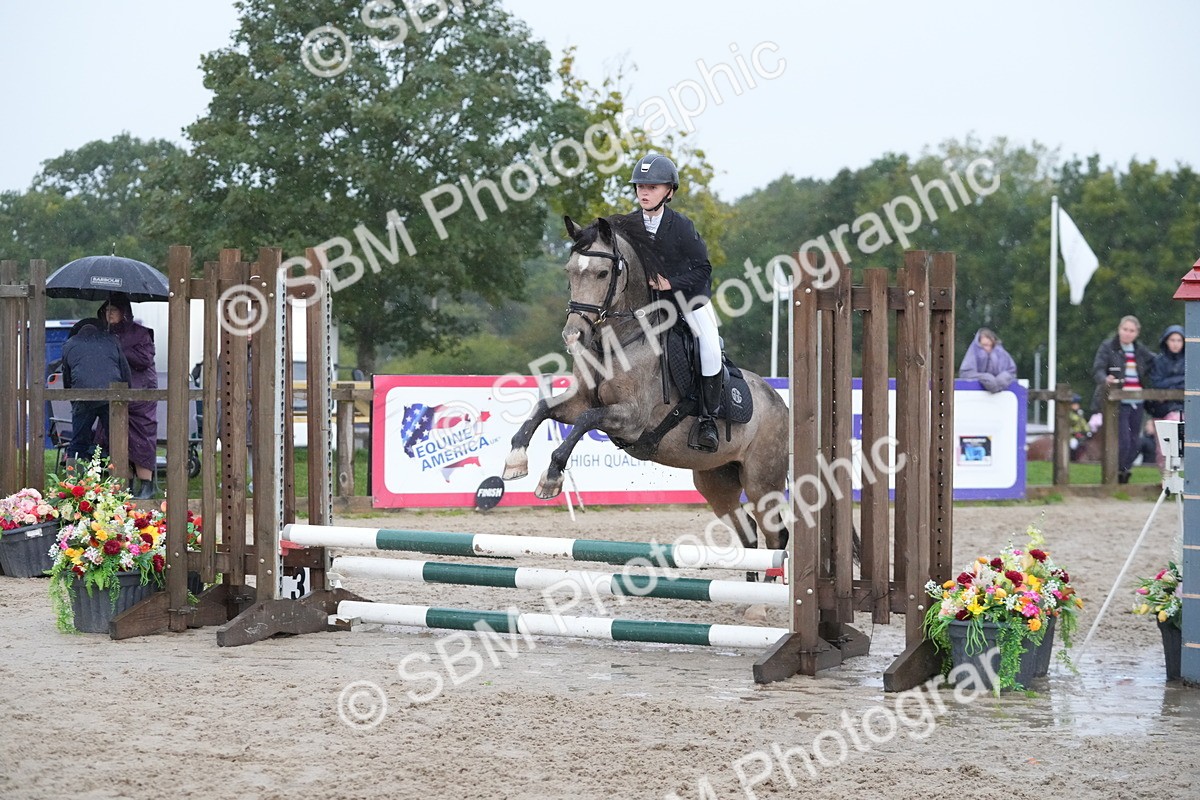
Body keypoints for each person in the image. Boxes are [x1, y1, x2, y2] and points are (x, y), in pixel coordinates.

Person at [625, 152, 723, 453]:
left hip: (688, 301)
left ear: (669, 191)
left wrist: (670, 283)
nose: (644, 191)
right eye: (640, 186)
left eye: (652, 186)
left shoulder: (680, 226)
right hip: (648, 305)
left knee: (710, 347)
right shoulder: (628, 226)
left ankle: (708, 419)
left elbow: (703, 269)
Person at [98, 295, 159, 498]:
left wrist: (119, 348)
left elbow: (144, 359)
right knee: (113, 438)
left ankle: (146, 485)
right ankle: (126, 485)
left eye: (113, 310)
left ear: (124, 312)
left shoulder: (141, 334)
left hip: (140, 394)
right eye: (106, 311)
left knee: (141, 439)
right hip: (114, 393)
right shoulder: (102, 334)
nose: (110, 314)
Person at [1091, 315, 1155, 484]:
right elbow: (1098, 369)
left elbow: (1155, 364)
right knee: (1123, 441)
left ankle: (1123, 471)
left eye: (1131, 330)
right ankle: (1118, 472)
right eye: (1125, 329)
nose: (1127, 333)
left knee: (1135, 442)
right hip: (1117, 401)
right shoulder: (1108, 347)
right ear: (1119, 329)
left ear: (1137, 333)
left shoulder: (1140, 351)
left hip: (1137, 400)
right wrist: (1106, 379)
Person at [60, 319, 131, 465]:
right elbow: (125, 371)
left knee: (78, 442)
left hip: (82, 395)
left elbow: (66, 376)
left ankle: (73, 482)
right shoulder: (112, 340)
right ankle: (120, 481)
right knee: (116, 441)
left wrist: (73, 400)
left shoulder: (70, 344)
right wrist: (125, 396)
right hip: (111, 395)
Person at [1147, 324, 1185, 468]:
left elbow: (1190, 381)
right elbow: (1157, 383)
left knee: (1180, 446)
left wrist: (1170, 384)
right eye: (1172, 340)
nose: (1175, 344)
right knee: (1162, 447)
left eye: (1179, 340)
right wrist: (1178, 382)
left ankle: (1181, 482)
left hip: (1183, 408)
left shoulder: (1191, 360)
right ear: (1166, 341)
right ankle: (1166, 482)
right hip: (1161, 409)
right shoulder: (1159, 361)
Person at [958, 328, 1017, 393]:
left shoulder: (1001, 353)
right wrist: (983, 377)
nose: (988, 348)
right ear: (978, 344)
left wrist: (1003, 378)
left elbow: (1012, 371)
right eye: (985, 345)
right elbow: (965, 374)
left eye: (991, 345)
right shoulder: (973, 353)